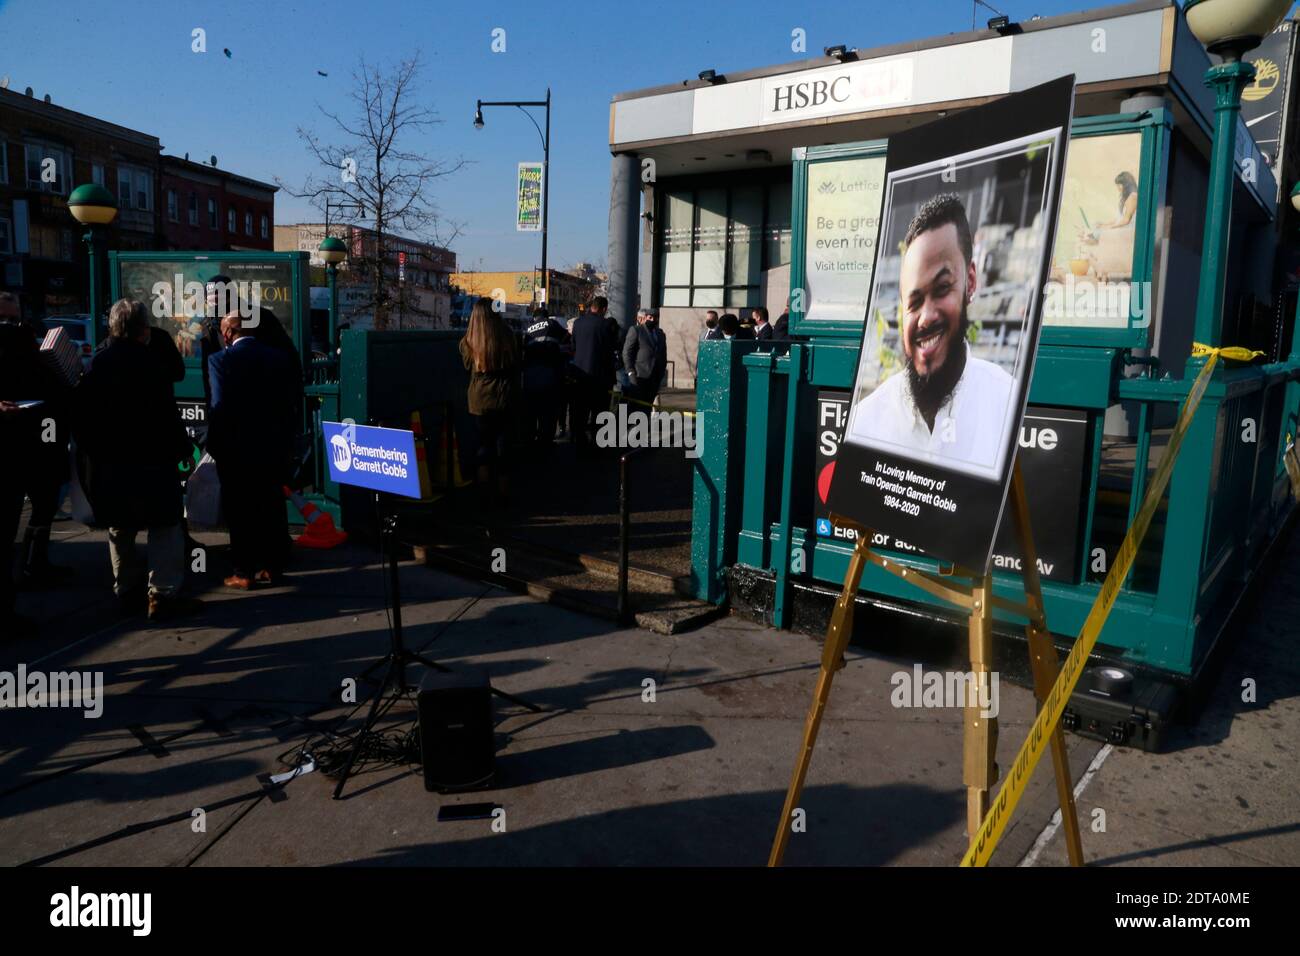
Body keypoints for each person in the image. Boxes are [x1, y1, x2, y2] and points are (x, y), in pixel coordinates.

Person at [847, 193, 1014, 474]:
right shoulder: (865, 422)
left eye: (942, 288)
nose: (925, 318)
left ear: (970, 282)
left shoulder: (1007, 404)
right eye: (913, 303)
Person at [75, 300, 195, 620]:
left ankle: (125, 589)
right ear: (144, 329)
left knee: (120, 527)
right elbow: (166, 413)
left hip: (112, 462)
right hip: (152, 458)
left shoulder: (99, 362)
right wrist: (183, 451)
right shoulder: (151, 362)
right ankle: (162, 594)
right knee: (165, 525)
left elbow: (83, 418)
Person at [207, 312, 297, 589]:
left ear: (227, 334)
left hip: (236, 447)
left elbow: (219, 405)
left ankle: (243, 570)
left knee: (239, 508)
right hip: (271, 444)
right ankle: (272, 566)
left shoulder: (219, 361)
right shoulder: (278, 359)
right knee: (270, 503)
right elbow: (288, 403)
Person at [1, 292, 62, 635]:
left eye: (14, 319)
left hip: (25, 448)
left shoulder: (23, 346)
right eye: (4, 319)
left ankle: (10, 604)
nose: (10, 326)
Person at [459, 298, 520, 505]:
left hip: (479, 401)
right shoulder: (507, 337)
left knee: (484, 445)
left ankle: (483, 493)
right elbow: (515, 364)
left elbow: (467, 366)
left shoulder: (468, 342)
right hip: (504, 398)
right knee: (504, 448)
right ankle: (503, 495)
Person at [570, 296, 617, 452]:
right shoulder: (605, 325)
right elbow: (610, 352)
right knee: (599, 414)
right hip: (600, 378)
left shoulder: (577, 323)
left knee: (580, 414)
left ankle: (580, 444)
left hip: (580, 376)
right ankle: (597, 445)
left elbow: (574, 347)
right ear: (604, 309)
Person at [521, 305, 571, 450]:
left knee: (532, 411)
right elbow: (567, 337)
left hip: (531, 375)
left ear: (535, 317)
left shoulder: (529, 329)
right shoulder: (552, 324)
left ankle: (530, 440)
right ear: (546, 316)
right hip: (549, 374)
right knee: (548, 411)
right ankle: (546, 442)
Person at [622, 309, 668, 406]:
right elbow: (627, 353)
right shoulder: (636, 330)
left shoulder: (660, 334)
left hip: (654, 379)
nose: (652, 320)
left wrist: (661, 373)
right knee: (635, 409)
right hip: (639, 376)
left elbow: (663, 355)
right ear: (645, 317)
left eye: (655, 318)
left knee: (647, 408)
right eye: (650, 317)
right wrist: (631, 372)